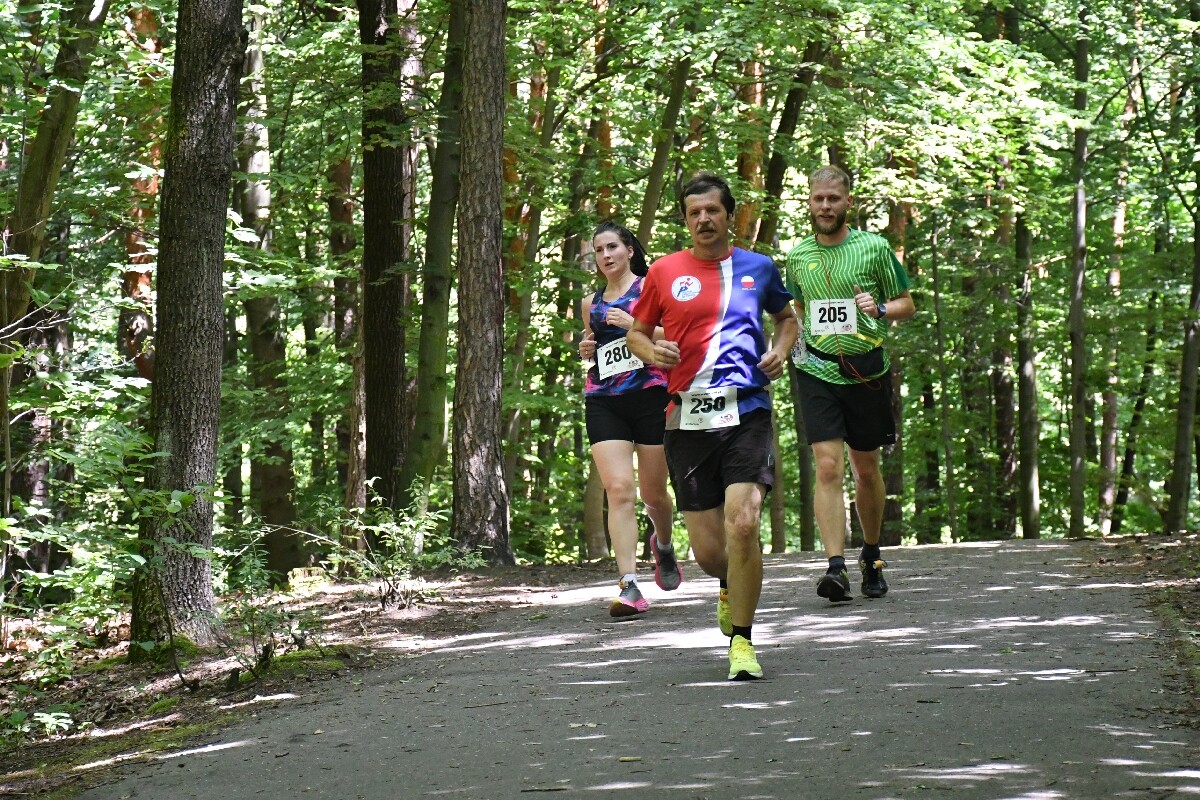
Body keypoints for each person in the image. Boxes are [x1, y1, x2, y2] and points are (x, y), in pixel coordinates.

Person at [626, 173, 798, 681]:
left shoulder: (758, 268)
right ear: (685, 220)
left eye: (712, 211)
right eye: (694, 213)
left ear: (730, 215)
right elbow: (637, 333)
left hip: (747, 409)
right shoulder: (663, 271)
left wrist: (781, 350)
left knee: (743, 523)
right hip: (687, 413)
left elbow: (787, 318)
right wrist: (652, 350)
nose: (703, 219)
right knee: (706, 550)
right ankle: (727, 584)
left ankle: (742, 641)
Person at [784, 165, 915, 603]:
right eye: (818, 199)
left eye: (833, 199)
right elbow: (796, 310)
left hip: (867, 371)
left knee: (866, 468)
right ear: (809, 202)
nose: (825, 206)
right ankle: (835, 566)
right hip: (817, 370)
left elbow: (907, 304)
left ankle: (872, 555)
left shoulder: (874, 248)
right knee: (827, 466)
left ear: (848, 203)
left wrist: (878, 307)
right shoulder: (799, 256)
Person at [579, 220, 684, 618]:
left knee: (655, 494)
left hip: (651, 395)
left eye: (612, 248)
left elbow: (674, 336)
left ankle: (664, 544)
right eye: (599, 250)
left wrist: (635, 326)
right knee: (619, 490)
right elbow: (594, 343)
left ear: (629, 250)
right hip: (604, 397)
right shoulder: (593, 302)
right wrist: (586, 346)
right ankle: (629, 585)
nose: (606, 256)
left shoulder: (651, 286)